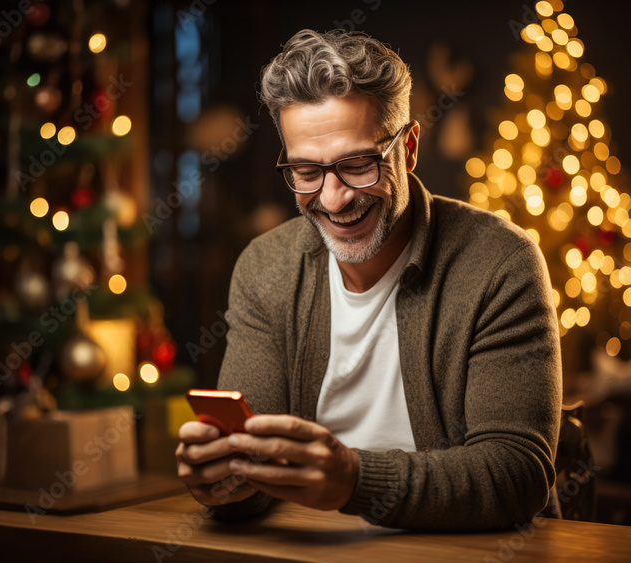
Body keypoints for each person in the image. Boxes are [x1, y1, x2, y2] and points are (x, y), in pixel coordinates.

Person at [176, 29, 562, 530]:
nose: (334, 198)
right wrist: (223, 485)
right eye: (307, 171)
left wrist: (355, 481)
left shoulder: (501, 263)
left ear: (410, 148)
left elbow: (516, 475)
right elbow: (253, 475)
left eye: (359, 164)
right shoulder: (265, 266)